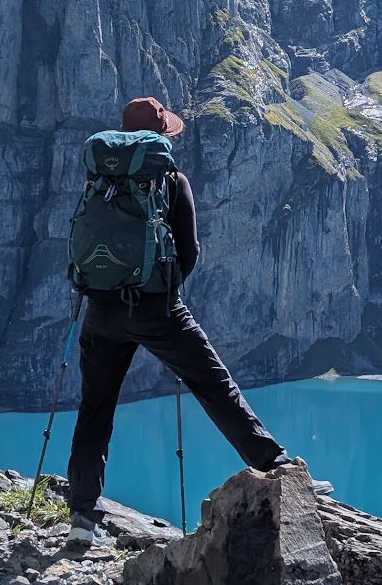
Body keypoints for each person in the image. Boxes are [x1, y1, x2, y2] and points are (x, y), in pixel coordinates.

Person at [64, 96, 290, 543]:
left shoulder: (99, 179)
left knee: (95, 410)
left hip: (101, 312)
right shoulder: (171, 181)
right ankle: (274, 464)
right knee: (213, 385)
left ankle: (82, 519)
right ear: (163, 134)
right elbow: (189, 252)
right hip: (157, 309)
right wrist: (161, 288)